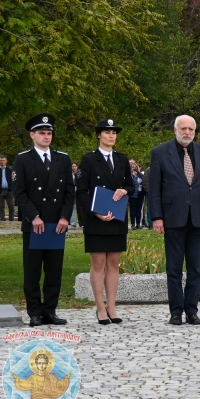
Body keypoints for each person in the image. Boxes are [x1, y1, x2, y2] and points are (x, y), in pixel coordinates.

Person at [149, 115, 200, 326]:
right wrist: (157, 217)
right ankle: (176, 312)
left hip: (198, 217)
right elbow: (155, 188)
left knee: (197, 268)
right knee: (174, 269)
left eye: (191, 129)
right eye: (183, 129)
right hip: (173, 217)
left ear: (195, 132)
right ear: (175, 130)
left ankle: (191, 310)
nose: (187, 132)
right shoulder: (160, 152)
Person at [12, 114, 75, 327]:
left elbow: (69, 191)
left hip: (56, 223)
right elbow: (19, 193)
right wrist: (34, 216)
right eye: (42, 133)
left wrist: (65, 217)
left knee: (54, 270)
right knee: (32, 270)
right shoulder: (23, 159)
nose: (46, 137)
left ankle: (50, 310)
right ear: (32, 135)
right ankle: (34, 312)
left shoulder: (62, 159)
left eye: (49, 133)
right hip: (35, 224)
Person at [76, 119, 134, 325]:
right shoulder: (89, 159)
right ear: (99, 135)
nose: (111, 136)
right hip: (97, 220)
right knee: (98, 263)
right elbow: (81, 191)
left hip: (116, 218)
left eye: (114, 132)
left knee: (113, 264)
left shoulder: (122, 159)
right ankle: (100, 307)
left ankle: (112, 306)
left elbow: (131, 186)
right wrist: (95, 212)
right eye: (107, 132)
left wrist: (125, 190)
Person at [0, 155, 15, 222]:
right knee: (1, 206)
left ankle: (11, 219)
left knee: (11, 206)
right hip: (0, 191)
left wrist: (12, 188)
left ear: (6, 161)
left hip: (9, 191)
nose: (2, 162)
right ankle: (2, 219)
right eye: (1, 160)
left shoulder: (10, 170)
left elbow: (14, 179)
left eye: (3, 160)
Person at [127, 165, 144, 229]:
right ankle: (133, 224)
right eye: (133, 168)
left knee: (139, 210)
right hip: (133, 195)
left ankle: (138, 224)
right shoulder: (130, 176)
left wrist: (142, 185)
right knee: (133, 210)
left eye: (135, 168)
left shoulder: (141, 176)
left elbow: (144, 181)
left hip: (140, 194)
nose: (134, 169)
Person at [70, 162, 83, 228]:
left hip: (79, 192)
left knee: (80, 207)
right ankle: (72, 223)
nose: (74, 167)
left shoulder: (80, 174)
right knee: (72, 207)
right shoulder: (70, 174)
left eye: (75, 166)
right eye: (73, 166)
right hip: (72, 193)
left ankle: (82, 223)